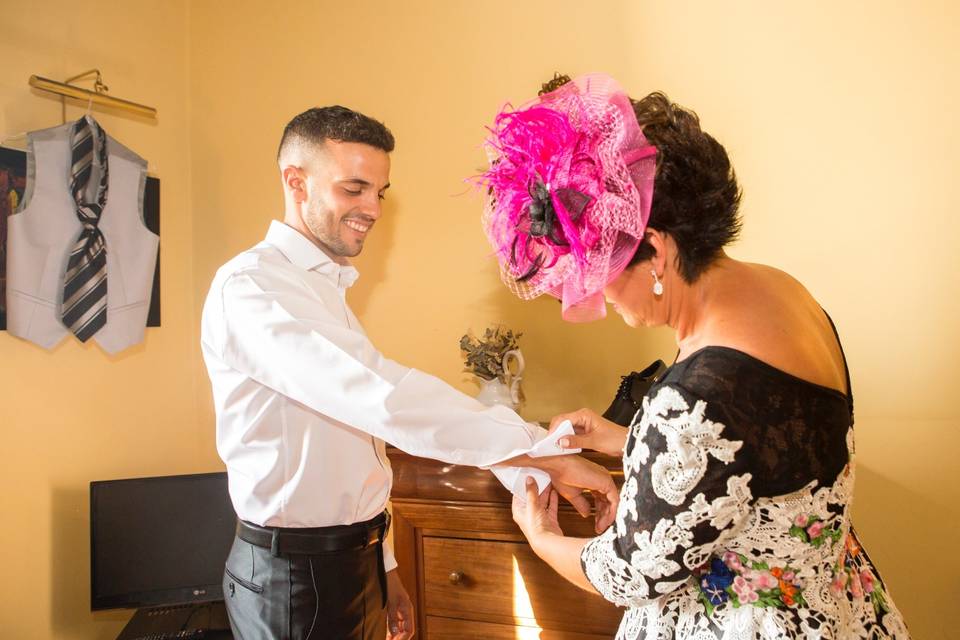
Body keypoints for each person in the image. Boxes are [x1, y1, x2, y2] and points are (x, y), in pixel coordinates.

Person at [479, 74, 911, 638]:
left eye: (602, 273)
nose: (599, 297)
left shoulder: (694, 396)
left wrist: (542, 539)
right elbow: (766, 445)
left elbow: (628, 576)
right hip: (833, 607)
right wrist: (629, 439)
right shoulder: (783, 292)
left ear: (656, 250)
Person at [200, 105, 618, 640]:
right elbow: (385, 400)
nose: (372, 208)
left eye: (381, 191)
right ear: (295, 182)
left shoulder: (324, 290)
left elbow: (358, 446)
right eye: (354, 189)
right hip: (293, 582)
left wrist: (386, 567)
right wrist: (543, 452)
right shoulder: (254, 288)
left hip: (354, 561)